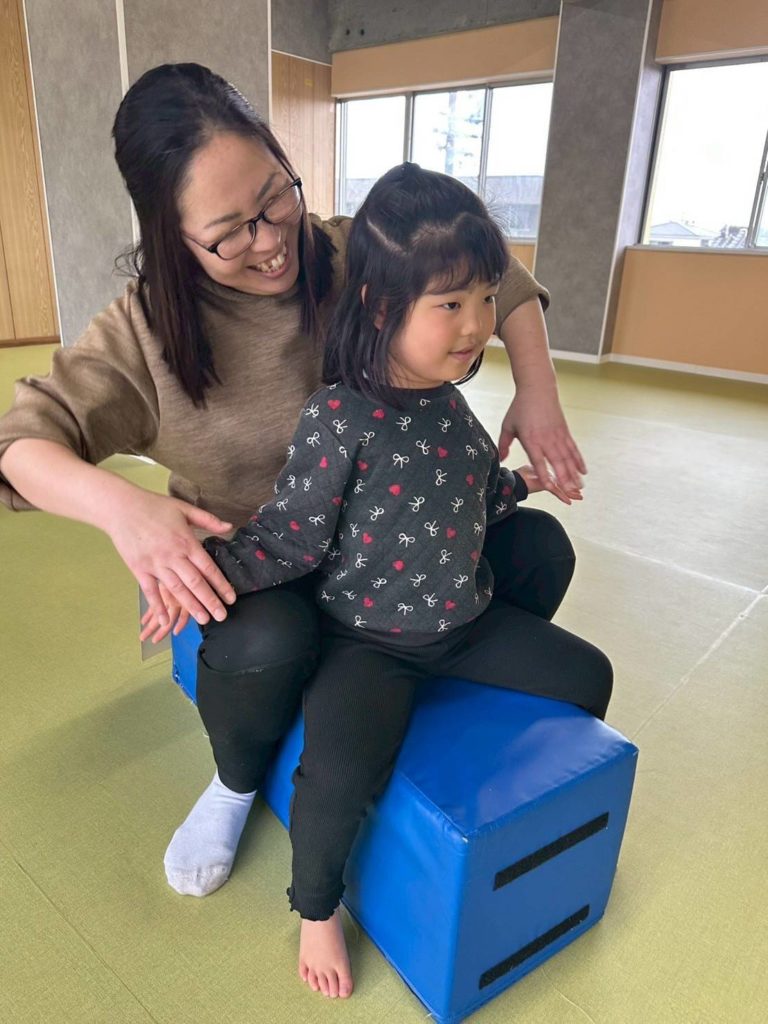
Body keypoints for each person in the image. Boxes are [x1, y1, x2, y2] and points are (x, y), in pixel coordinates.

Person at [0, 64, 587, 990]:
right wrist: (126, 510)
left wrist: (539, 394)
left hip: (400, 546)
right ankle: (237, 781)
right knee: (264, 641)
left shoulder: (353, 250)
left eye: (277, 198)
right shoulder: (143, 335)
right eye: (230, 232)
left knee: (538, 549)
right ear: (170, 234)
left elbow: (495, 276)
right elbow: (18, 443)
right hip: (273, 560)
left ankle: (433, 689)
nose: (272, 241)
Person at [141, 162, 613, 1001]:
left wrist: (522, 485)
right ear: (381, 305)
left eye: (484, 299)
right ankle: (316, 909)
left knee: (589, 676)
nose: (477, 325)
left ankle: (504, 802)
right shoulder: (341, 415)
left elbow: (468, 496)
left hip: (464, 624)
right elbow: (288, 538)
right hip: (371, 646)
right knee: (335, 781)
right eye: (450, 305)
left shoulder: (450, 406)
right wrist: (197, 574)